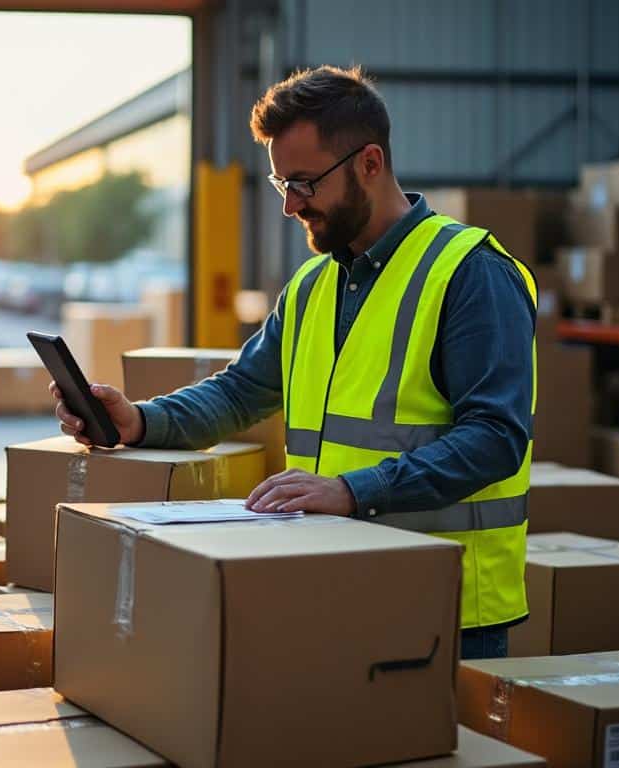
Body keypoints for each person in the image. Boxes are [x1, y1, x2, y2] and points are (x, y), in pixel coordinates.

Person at [49, 65, 536, 660]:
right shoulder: (311, 287)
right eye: (282, 184)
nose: (290, 206)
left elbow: (495, 438)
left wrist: (352, 491)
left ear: (370, 163)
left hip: (448, 612)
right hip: (333, 587)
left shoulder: (470, 273)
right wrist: (141, 420)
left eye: (304, 183)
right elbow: (239, 392)